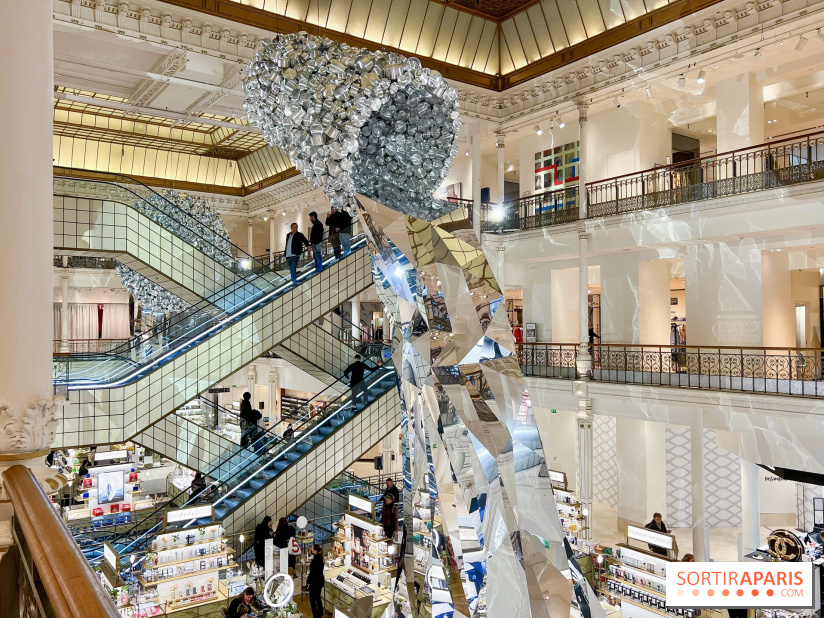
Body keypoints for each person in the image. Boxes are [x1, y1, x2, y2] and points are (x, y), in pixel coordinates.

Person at [307, 544, 325, 618]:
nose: (311, 550)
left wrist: (308, 581)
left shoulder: (315, 560)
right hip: (320, 581)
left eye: (312, 549)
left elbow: (313, 573)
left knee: (312, 599)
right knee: (317, 597)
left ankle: (316, 615)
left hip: (314, 583)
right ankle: (320, 612)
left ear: (314, 551)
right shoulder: (320, 559)